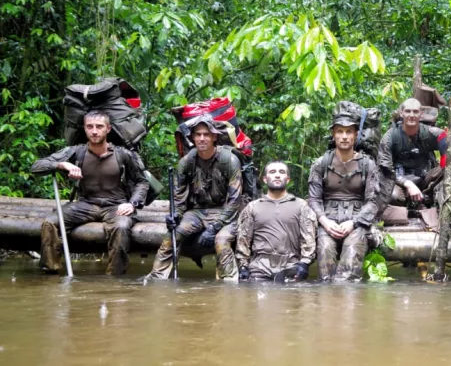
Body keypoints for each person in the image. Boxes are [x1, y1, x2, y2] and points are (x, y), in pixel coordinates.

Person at [31, 110, 149, 275]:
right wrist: (62, 165)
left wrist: (132, 203)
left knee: (121, 227)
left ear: (108, 129)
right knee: (49, 223)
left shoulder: (124, 154)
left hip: (116, 206)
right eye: (90, 127)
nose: (94, 131)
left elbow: (142, 182)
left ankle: (115, 278)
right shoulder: (76, 152)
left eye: (99, 127)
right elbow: (37, 166)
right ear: (85, 129)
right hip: (86, 204)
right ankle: (50, 272)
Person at [148, 116, 242, 280]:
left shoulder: (229, 160)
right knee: (173, 236)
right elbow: (179, 198)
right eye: (198, 135)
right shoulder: (186, 162)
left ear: (214, 137)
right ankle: (157, 278)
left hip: (225, 213)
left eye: (206, 134)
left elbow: (234, 201)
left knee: (221, 241)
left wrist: (214, 228)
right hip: (197, 212)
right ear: (193, 138)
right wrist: (175, 215)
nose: (202, 138)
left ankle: (229, 282)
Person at [308, 114, 381, 281]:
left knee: (352, 251)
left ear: (356, 135)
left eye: (349, 132)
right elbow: (313, 199)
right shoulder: (320, 164)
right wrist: (325, 222)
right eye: (340, 131)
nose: (344, 136)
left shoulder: (367, 164)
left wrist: (354, 223)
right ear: (333, 135)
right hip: (328, 220)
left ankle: (347, 293)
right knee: (325, 249)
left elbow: (372, 202)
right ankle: (326, 293)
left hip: (357, 221)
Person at [236, 161, 316, 282]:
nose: (277, 175)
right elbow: (243, 239)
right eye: (272, 172)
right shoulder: (252, 207)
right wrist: (243, 266)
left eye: (281, 172)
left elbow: (308, 238)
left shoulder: (301, 206)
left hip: (291, 268)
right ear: (265, 179)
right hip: (258, 269)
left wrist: (304, 263)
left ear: (287, 179)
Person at [377, 98, 442, 223]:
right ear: (401, 113)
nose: (411, 115)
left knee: (447, 170)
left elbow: (450, 144)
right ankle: (409, 205)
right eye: (408, 111)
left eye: (415, 111)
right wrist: (407, 184)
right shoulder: (390, 137)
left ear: (421, 114)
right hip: (400, 181)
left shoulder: (430, 133)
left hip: (426, 179)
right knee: (393, 197)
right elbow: (385, 169)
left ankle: (426, 199)